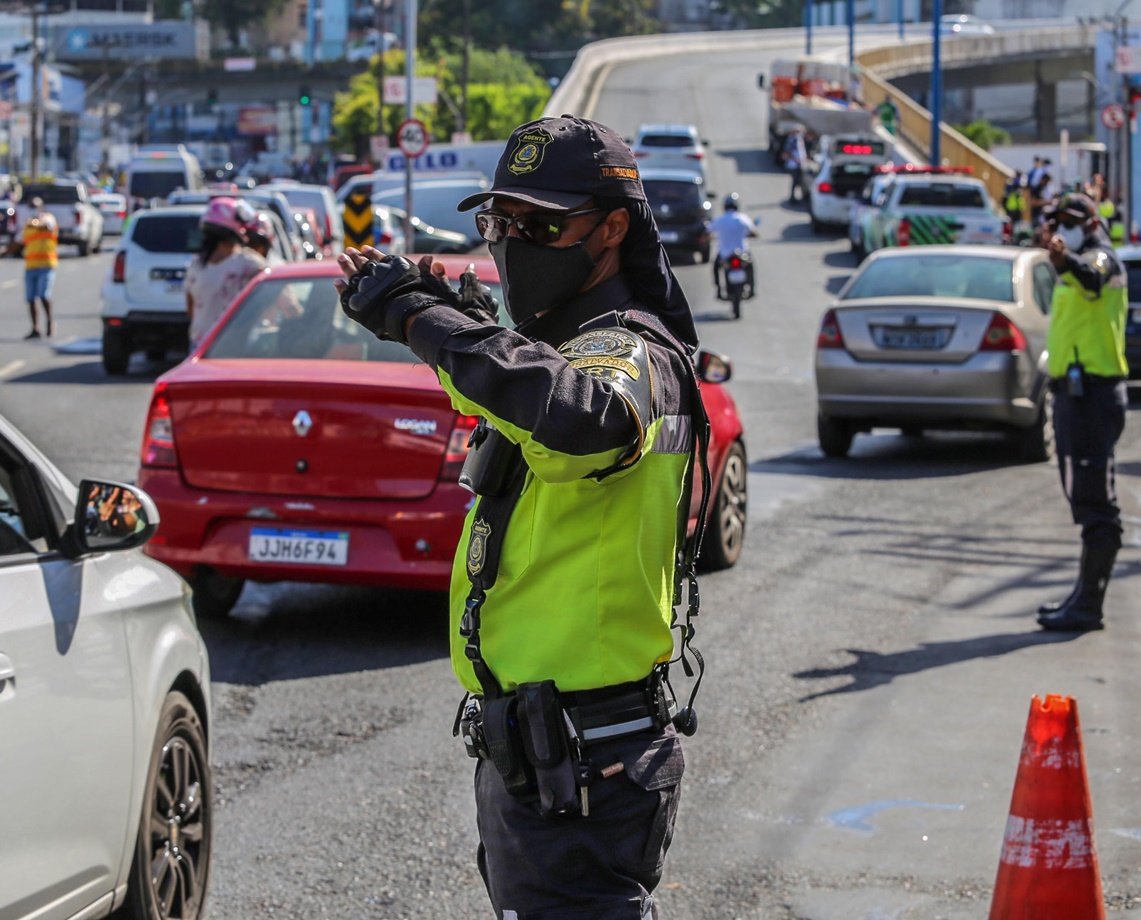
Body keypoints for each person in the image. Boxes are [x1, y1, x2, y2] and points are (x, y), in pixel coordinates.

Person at [335, 115, 707, 918]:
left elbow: (577, 420)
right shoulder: (563, 348)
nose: (512, 241)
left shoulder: (631, 349)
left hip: (585, 756)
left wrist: (420, 319)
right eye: (499, 221)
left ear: (612, 229)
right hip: (540, 752)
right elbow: (527, 392)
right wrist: (460, 324)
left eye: (540, 224)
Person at [1035, 194, 1129, 632]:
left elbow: (1093, 276)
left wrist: (1065, 258)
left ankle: (1089, 606)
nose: (1060, 229)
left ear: (1091, 222)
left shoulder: (1103, 260)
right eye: (1055, 222)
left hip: (1093, 395)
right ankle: (1081, 596)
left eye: (1068, 222)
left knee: (1096, 505)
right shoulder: (1071, 264)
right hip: (1075, 396)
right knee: (1082, 497)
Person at [185, 197, 267, 348]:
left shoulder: (196, 265)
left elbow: (191, 308)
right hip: (236, 348)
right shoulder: (250, 264)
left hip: (200, 345)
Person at [9, 197, 58, 339]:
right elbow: (18, 242)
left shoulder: (48, 218)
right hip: (31, 266)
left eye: (35, 206)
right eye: (30, 206)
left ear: (41, 207)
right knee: (30, 299)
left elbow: (46, 225)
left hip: (47, 264)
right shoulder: (27, 226)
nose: (32, 209)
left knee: (44, 295)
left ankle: (49, 321)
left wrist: (34, 222)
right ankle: (35, 328)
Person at [709, 192, 758, 299]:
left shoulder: (719, 220)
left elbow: (708, 232)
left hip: (724, 254)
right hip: (742, 253)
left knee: (716, 268)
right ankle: (752, 289)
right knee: (751, 266)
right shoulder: (743, 219)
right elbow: (754, 232)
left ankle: (718, 290)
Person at [784, 129, 806, 203]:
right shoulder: (791, 141)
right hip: (794, 165)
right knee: (795, 182)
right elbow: (787, 154)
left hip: (799, 165)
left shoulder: (799, 141)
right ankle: (792, 198)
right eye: (798, 132)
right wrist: (796, 160)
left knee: (799, 182)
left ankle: (798, 196)